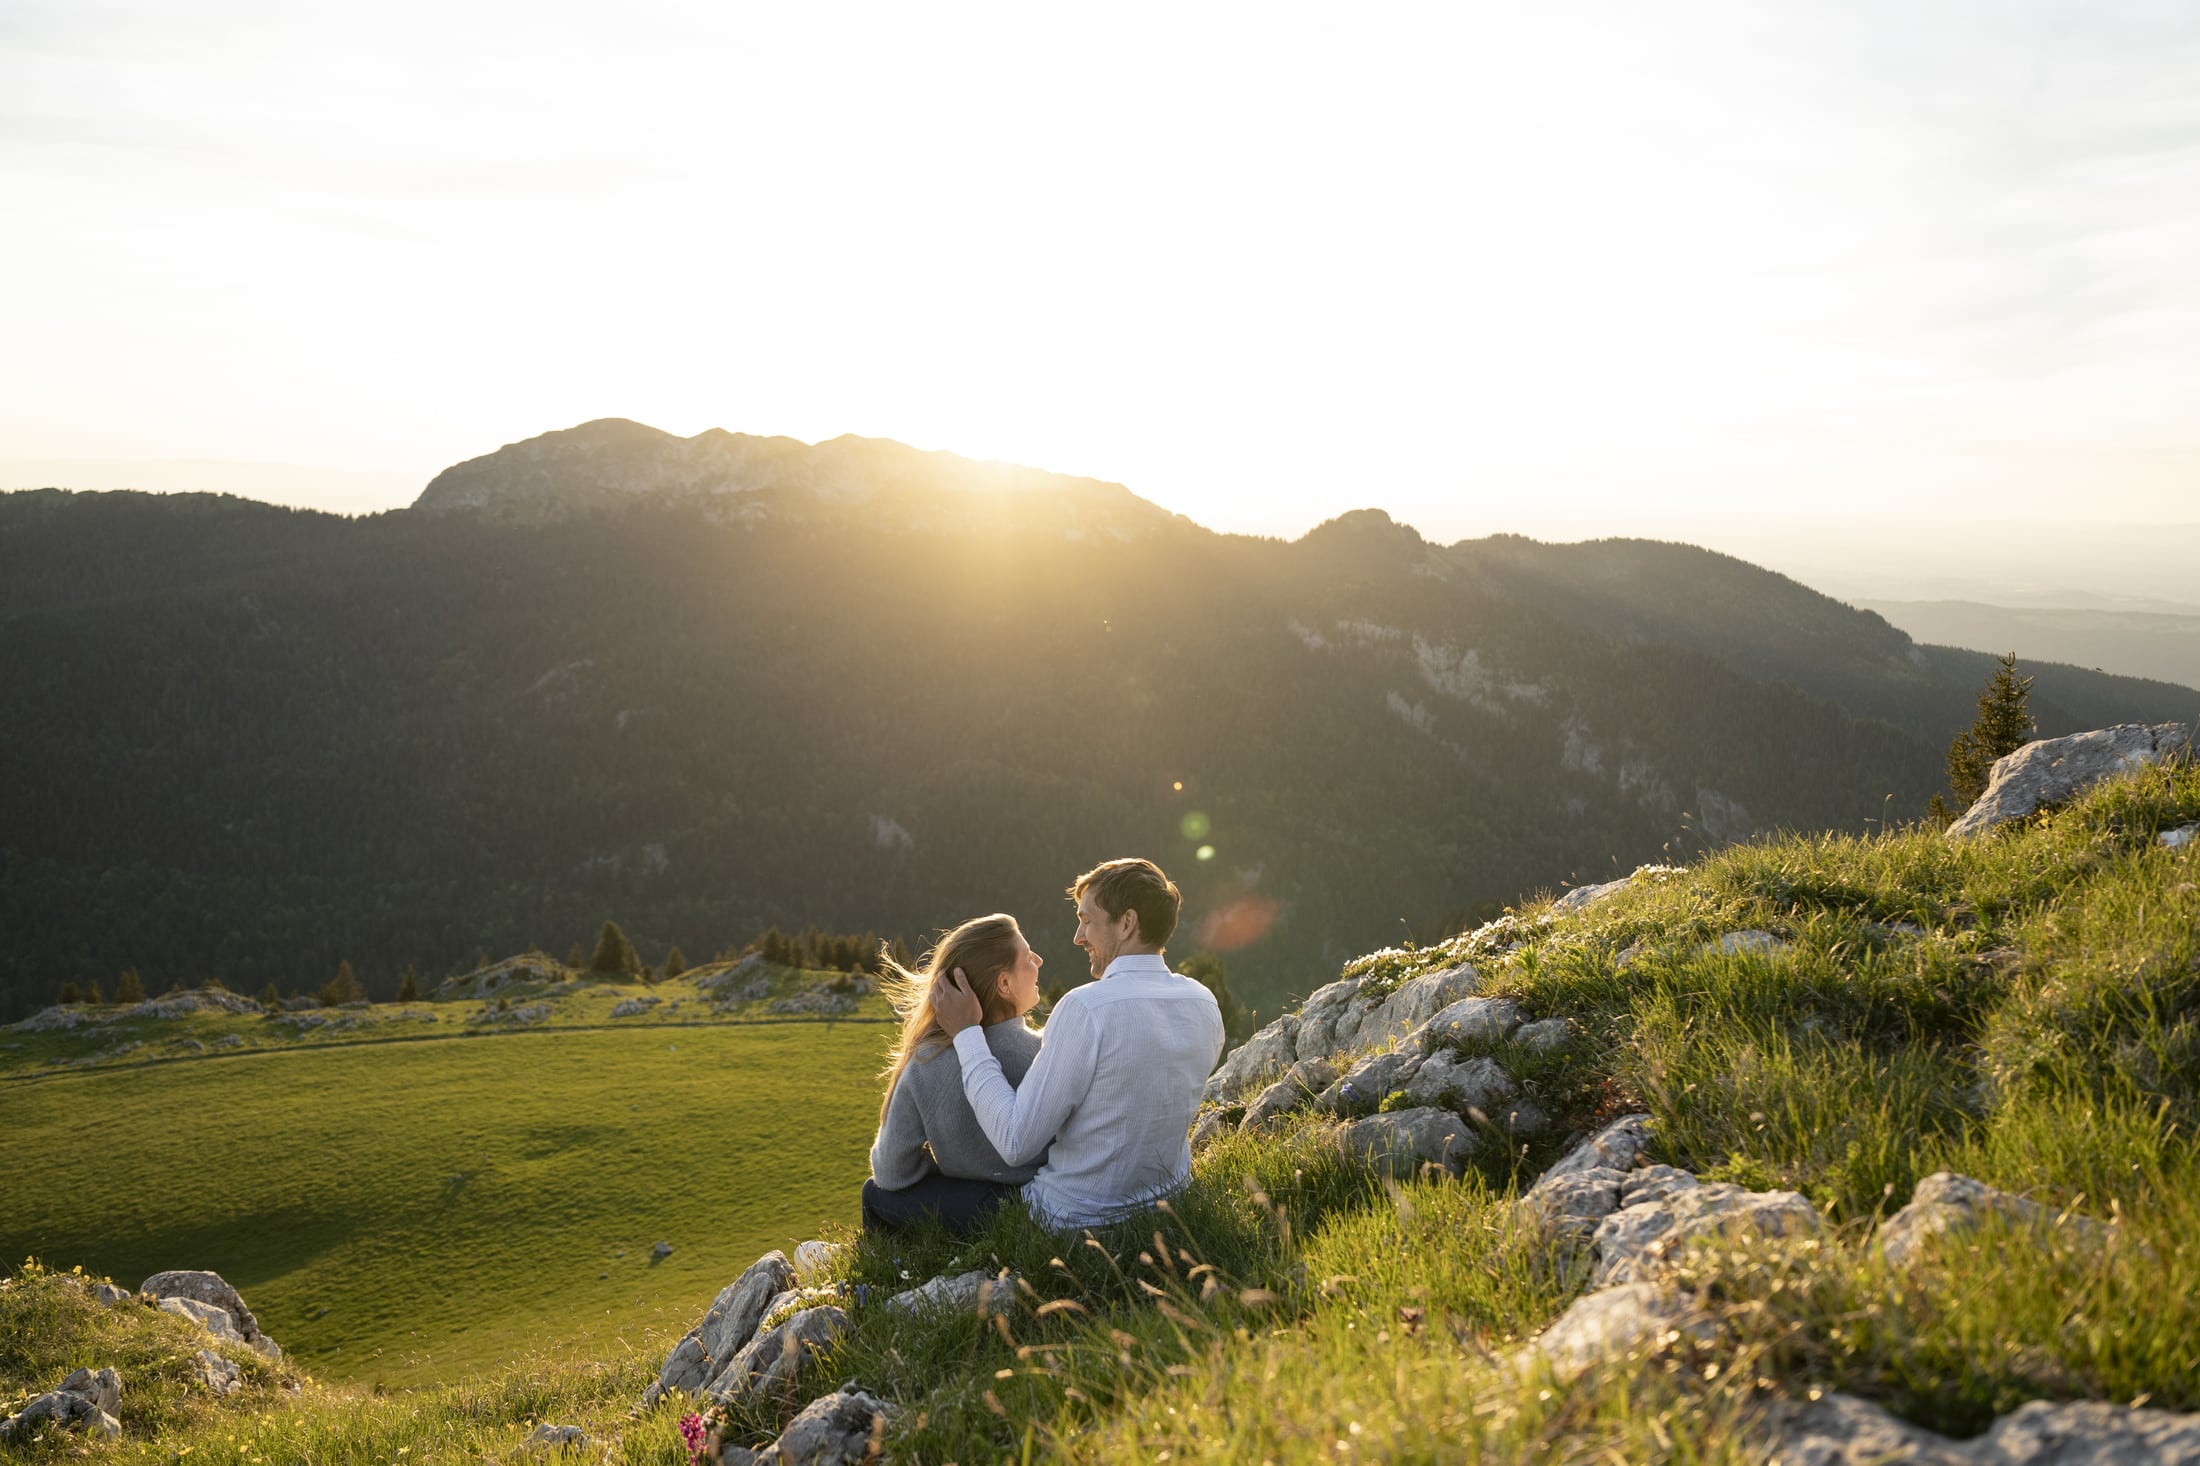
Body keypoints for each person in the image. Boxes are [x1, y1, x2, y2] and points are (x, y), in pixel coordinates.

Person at [934, 858, 1224, 1231]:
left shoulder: (1086, 1009)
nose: (1078, 937)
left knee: (880, 1196)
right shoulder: (1203, 1003)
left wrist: (967, 1034)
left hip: (1071, 1218)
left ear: (1127, 923)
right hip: (1167, 1203)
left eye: (1087, 921)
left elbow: (1015, 1141)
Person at [861, 913, 1050, 1235]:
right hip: (1042, 1208)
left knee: (873, 1192)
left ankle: (893, 1265)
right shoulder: (1045, 1052)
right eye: (1027, 957)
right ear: (1004, 984)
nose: (1038, 960)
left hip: (968, 1211)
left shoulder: (926, 1061)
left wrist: (948, 1170)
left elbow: (891, 1172)